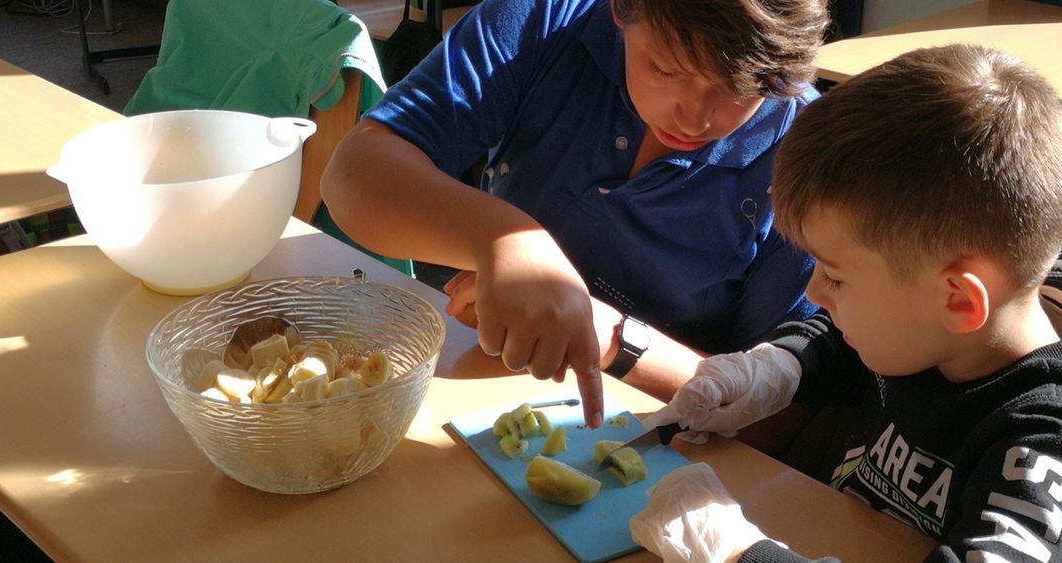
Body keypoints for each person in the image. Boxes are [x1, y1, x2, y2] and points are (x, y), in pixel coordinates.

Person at [630, 44, 1062, 562]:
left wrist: (741, 556)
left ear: (958, 299)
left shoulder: (1050, 451)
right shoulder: (936, 335)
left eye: (836, 277)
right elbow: (841, 347)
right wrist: (779, 367)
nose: (813, 293)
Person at [320, 0, 829, 426]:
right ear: (621, 11)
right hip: (479, 401)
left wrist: (610, 338)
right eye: (666, 69)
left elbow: (781, 418)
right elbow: (354, 177)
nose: (694, 118)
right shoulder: (544, 19)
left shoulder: (807, 154)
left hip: (665, 447)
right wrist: (506, 239)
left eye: (741, 88)